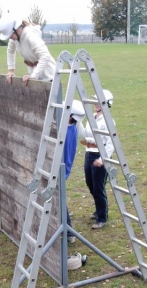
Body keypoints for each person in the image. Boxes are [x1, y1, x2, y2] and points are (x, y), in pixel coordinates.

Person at [77, 89, 115, 230]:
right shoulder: (92, 117)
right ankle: (99, 208)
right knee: (90, 184)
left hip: (100, 155)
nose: (96, 104)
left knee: (99, 187)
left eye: (99, 102)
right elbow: (85, 135)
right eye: (96, 101)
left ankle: (102, 217)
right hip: (89, 153)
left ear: (106, 104)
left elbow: (110, 143)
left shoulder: (108, 121)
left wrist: (102, 159)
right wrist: (78, 121)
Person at [0, 12, 56, 85]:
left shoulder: (30, 36)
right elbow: (10, 51)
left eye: (10, 34)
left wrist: (33, 76)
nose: (9, 37)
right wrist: (11, 71)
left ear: (17, 29)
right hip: (36, 78)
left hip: (49, 76)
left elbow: (45, 56)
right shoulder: (14, 38)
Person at [63, 100, 85, 243]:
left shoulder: (66, 132)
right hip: (63, 169)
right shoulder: (71, 126)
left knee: (58, 200)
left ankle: (69, 232)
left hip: (60, 170)